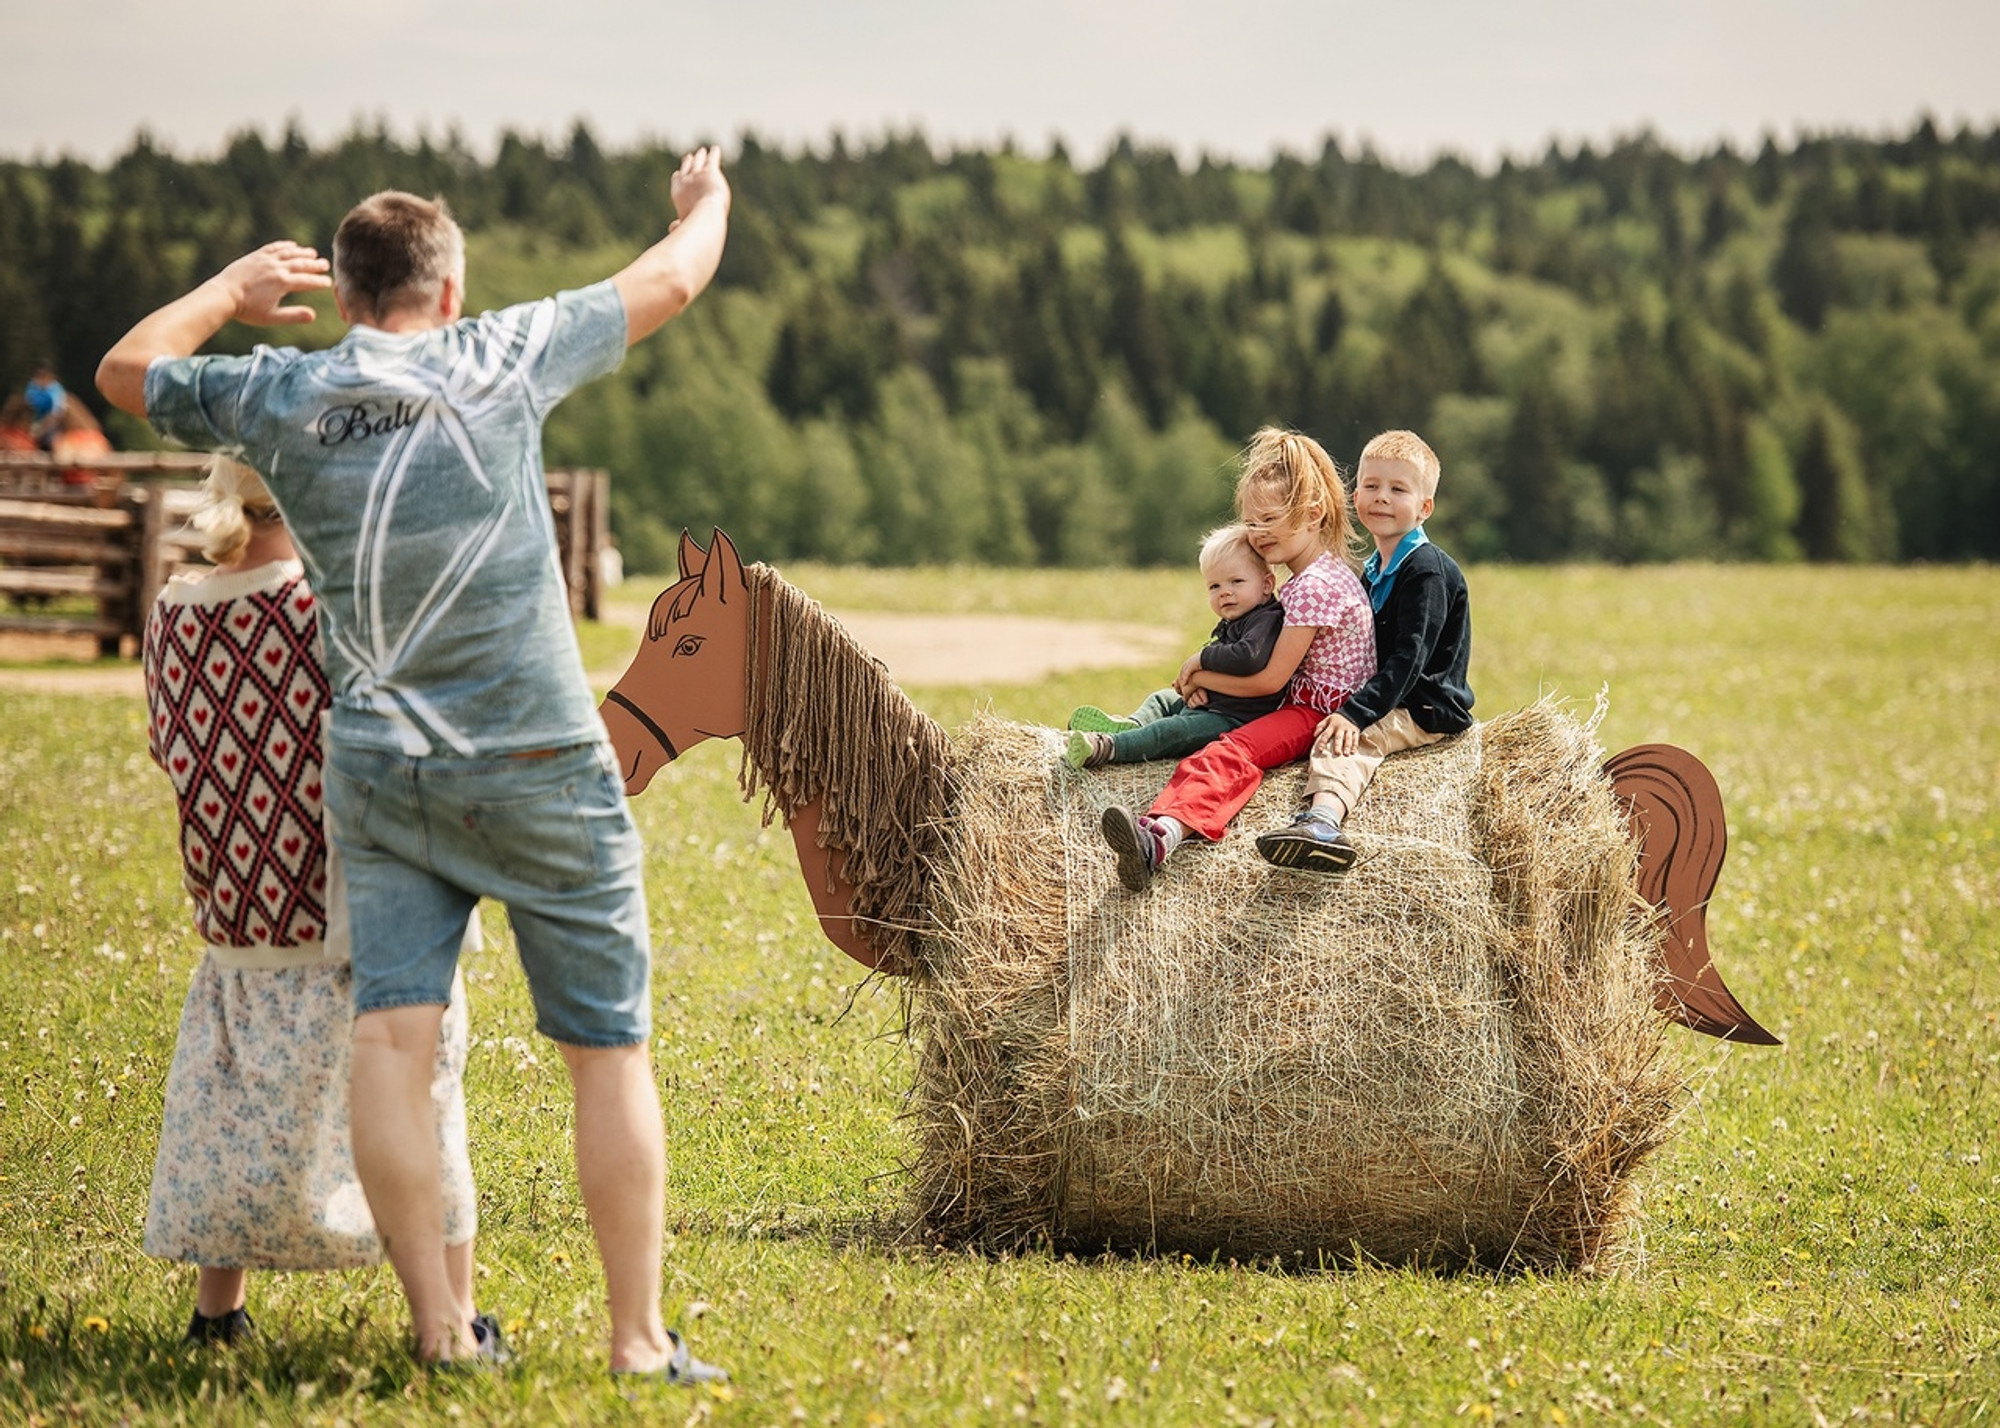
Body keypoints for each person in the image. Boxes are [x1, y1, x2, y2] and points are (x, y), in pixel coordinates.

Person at [98, 146, 733, 1380]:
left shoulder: (285, 394)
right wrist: (705, 204)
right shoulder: (505, 353)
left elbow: (126, 371)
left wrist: (229, 291)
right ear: (449, 292)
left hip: (384, 773)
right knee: (605, 1049)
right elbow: (671, 281)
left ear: (343, 296)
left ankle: (443, 1335)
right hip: (543, 759)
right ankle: (635, 1341)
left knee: (390, 1041)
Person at [141, 456, 484, 1349]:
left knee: (237, 1106)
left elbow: (164, 745)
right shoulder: (328, 611)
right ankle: (452, 1316)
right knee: (425, 1090)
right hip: (352, 907)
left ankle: (218, 1313)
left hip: (240, 912)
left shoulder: (173, 614)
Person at [1098, 427, 1376, 891]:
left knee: (1232, 752)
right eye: (1250, 521)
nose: (1257, 533)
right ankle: (1130, 739)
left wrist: (1202, 671)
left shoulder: (1312, 588)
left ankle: (1161, 837)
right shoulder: (1321, 574)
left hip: (1314, 712)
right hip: (1301, 701)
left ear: (1311, 515)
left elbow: (1269, 681)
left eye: (1269, 519)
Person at [1255, 429, 1473, 872]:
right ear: (1355, 496)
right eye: (1371, 486)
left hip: (1424, 705)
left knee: (1351, 740)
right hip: (1390, 692)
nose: (1382, 498)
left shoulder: (1426, 572)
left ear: (1424, 507)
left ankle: (1323, 822)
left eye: (1398, 489)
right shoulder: (1373, 568)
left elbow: (1409, 660)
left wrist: (1355, 714)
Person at [1064, 524, 1284, 768]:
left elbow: (1248, 658)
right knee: (1162, 699)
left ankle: (1107, 747)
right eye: (1215, 586)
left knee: (1172, 731)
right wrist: (1200, 687)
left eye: (1236, 581)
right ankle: (1134, 725)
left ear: (1266, 585)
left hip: (1234, 719)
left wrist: (1202, 658)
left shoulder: (1266, 619)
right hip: (1214, 704)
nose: (1225, 592)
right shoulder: (1238, 618)